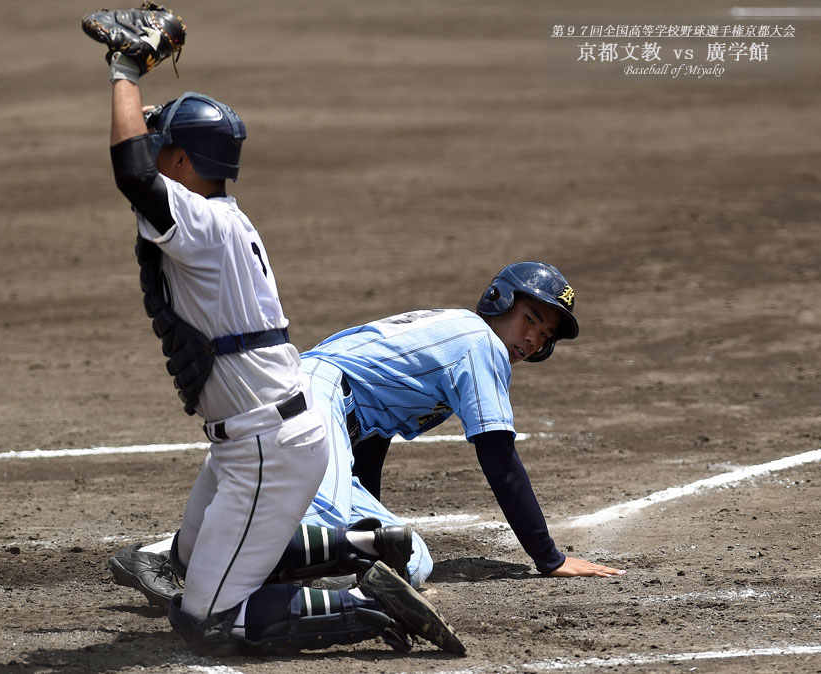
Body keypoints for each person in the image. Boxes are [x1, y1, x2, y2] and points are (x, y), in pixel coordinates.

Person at [94, 14, 465, 656]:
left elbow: (134, 175)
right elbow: (146, 177)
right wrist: (143, 108)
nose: (152, 149)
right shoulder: (212, 217)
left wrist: (124, 72)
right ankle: (366, 547)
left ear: (182, 161)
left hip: (266, 443)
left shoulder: (202, 227)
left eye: (164, 145)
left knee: (206, 620)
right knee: (189, 561)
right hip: (262, 437)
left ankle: (365, 604)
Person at [108, 261, 624, 609]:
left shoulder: (453, 332)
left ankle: (177, 553)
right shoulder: (479, 345)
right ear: (501, 301)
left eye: (546, 334)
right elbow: (498, 456)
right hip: (310, 409)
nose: (532, 338)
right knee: (403, 557)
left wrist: (365, 515)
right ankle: (235, 587)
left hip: (288, 403)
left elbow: (371, 437)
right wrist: (549, 559)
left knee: (379, 544)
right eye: (530, 318)